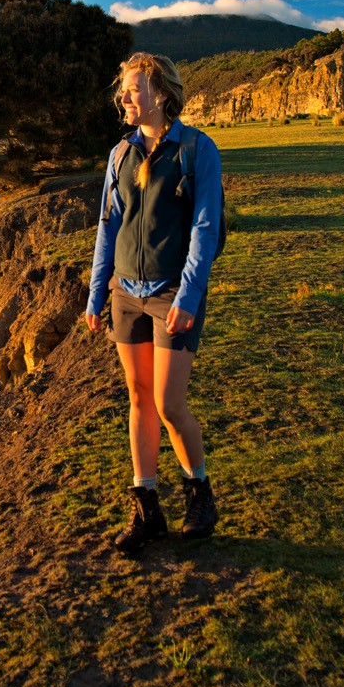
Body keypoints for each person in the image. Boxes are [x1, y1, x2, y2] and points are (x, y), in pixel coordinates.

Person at [85, 52, 223, 555]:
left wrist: (188, 295)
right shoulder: (120, 154)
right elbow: (108, 227)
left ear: (160, 94)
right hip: (126, 292)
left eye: (132, 88)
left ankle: (200, 494)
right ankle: (147, 508)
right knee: (139, 398)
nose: (124, 97)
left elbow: (206, 229)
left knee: (168, 403)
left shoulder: (196, 149)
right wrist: (96, 295)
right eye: (123, 89)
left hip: (171, 294)